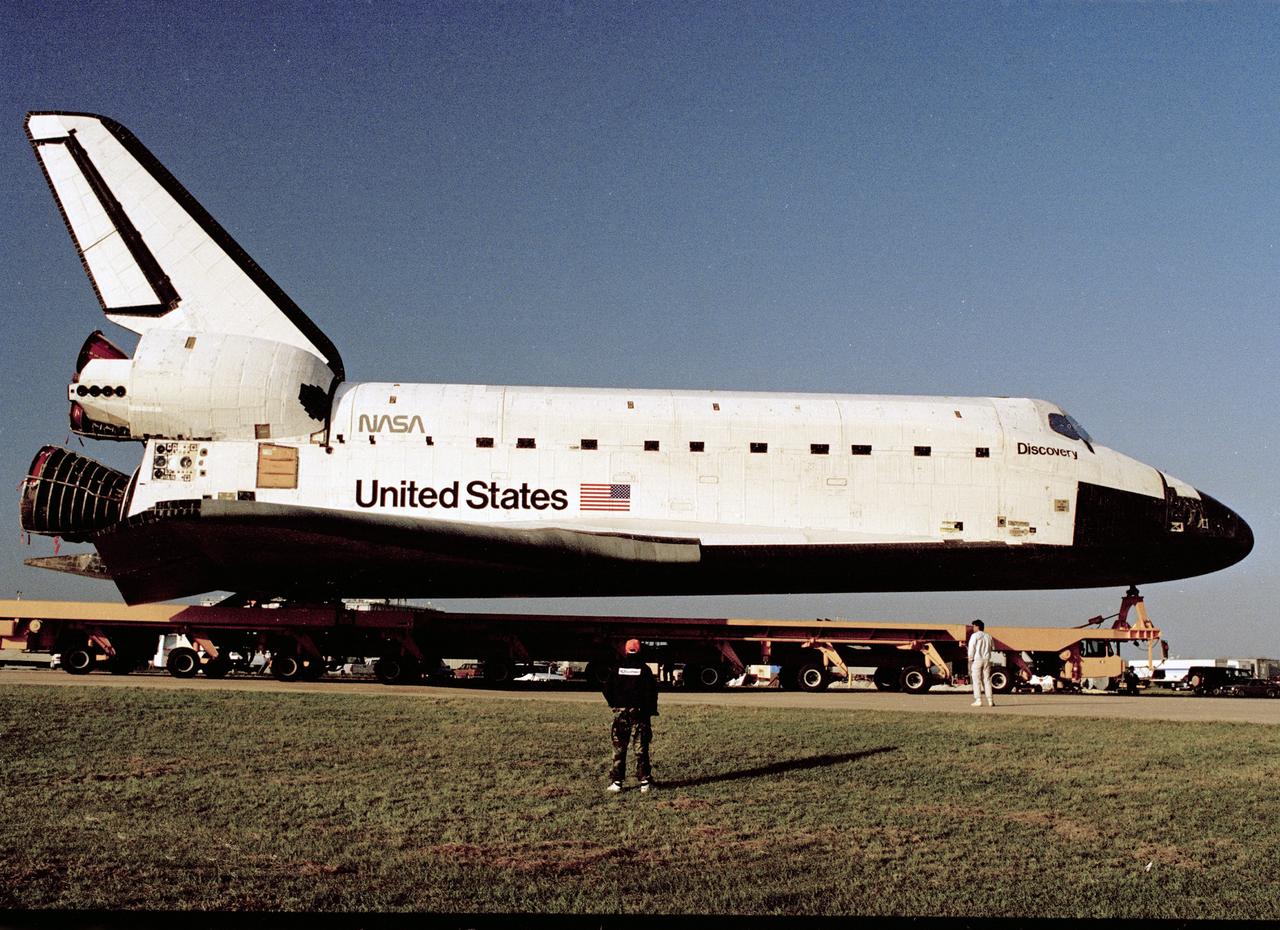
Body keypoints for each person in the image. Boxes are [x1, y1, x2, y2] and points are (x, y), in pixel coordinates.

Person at [602, 638, 658, 793]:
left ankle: (617, 782)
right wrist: (650, 710)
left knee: (619, 748)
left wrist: (614, 704)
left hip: (621, 714)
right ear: (640, 650)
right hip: (639, 714)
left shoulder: (617, 668)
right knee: (640, 748)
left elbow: (606, 689)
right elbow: (651, 693)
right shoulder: (644, 669)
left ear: (625, 651)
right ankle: (645, 782)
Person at [968, 619, 994, 707]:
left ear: (977, 626)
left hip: (977, 659)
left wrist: (970, 658)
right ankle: (990, 700)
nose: (973, 628)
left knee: (976, 680)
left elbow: (972, 648)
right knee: (986, 680)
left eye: (974, 626)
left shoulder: (974, 636)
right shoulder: (988, 636)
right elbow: (993, 647)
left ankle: (978, 700)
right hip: (987, 659)